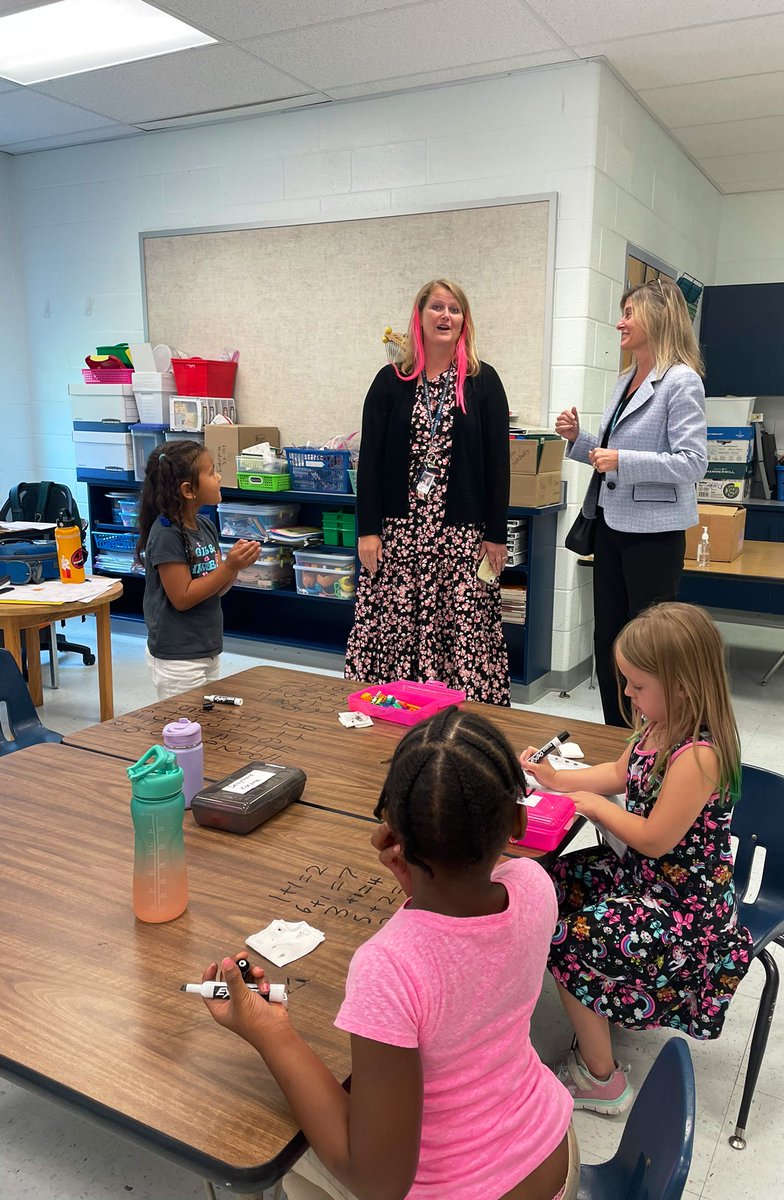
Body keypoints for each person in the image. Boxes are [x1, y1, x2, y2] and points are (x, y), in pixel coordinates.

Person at [200, 709, 578, 1200]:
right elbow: (462, 953)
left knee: (274, 1147)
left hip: (458, 1190)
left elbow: (379, 1182)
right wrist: (418, 885)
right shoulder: (534, 885)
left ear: (392, 832)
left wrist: (269, 1031)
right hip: (554, 1157)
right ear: (519, 821)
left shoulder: (391, 967)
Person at [520, 602, 752, 1117]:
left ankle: (601, 1079)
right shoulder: (658, 725)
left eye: (637, 685)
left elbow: (653, 839)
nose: (627, 694)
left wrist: (594, 808)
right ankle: (599, 996)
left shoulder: (698, 756)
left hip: (686, 914)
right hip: (644, 881)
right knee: (540, 882)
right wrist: (555, 779)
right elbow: (616, 773)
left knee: (566, 938)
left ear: (685, 684)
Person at [345, 278, 511, 705]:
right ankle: (395, 713)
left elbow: (498, 464)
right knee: (398, 627)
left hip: (460, 536)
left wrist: (495, 533)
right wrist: (367, 530)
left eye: (454, 309)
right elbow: (371, 463)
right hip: (400, 535)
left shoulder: (483, 381)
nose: (445, 316)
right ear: (419, 317)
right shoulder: (391, 381)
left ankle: (459, 725)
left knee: (461, 629)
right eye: (436, 307)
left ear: (464, 321)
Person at [556, 278, 707, 726]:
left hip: (654, 536)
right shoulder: (625, 379)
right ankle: (616, 733)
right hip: (612, 527)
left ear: (658, 318)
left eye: (629, 313)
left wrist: (622, 459)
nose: (619, 322)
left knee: (652, 648)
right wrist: (578, 440)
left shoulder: (681, 381)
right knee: (610, 640)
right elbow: (609, 456)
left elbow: (692, 463)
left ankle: (658, 738)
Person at [135, 440, 259, 700]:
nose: (218, 477)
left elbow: (216, 588)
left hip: (206, 648)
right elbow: (182, 598)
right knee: (183, 729)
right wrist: (228, 566)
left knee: (206, 725)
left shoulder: (204, 526)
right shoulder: (167, 535)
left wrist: (235, 567)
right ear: (188, 490)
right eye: (212, 472)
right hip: (178, 657)